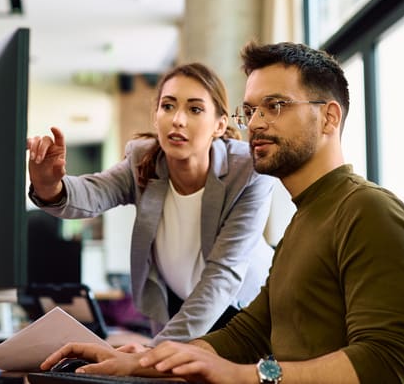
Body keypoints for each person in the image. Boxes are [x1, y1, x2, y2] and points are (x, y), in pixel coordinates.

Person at [39, 41, 404, 384]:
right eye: (252, 110)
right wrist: (144, 361)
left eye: (274, 106)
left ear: (329, 117)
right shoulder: (302, 221)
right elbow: (248, 334)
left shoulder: (368, 209)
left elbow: (385, 364)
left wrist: (248, 375)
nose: (256, 123)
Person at [26, 62, 275, 344]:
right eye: (168, 106)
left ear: (219, 125)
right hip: (177, 307)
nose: (177, 119)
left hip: (243, 310)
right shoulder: (144, 161)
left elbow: (224, 274)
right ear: (156, 117)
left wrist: (155, 351)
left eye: (194, 109)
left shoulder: (248, 171)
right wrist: (49, 185)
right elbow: (93, 193)